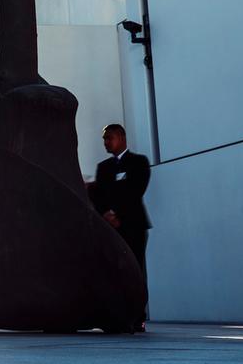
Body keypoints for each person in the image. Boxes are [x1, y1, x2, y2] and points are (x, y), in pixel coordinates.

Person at [90, 122, 151, 333]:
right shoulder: (103, 167)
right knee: (112, 271)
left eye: (109, 138)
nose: (106, 143)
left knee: (135, 269)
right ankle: (117, 316)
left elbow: (136, 190)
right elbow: (97, 195)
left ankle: (138, 318)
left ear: (121, 137)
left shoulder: (139, 162)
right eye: (104, 139)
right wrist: (106, 213)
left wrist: (118, 214)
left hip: (133, 226)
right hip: (110, 229)